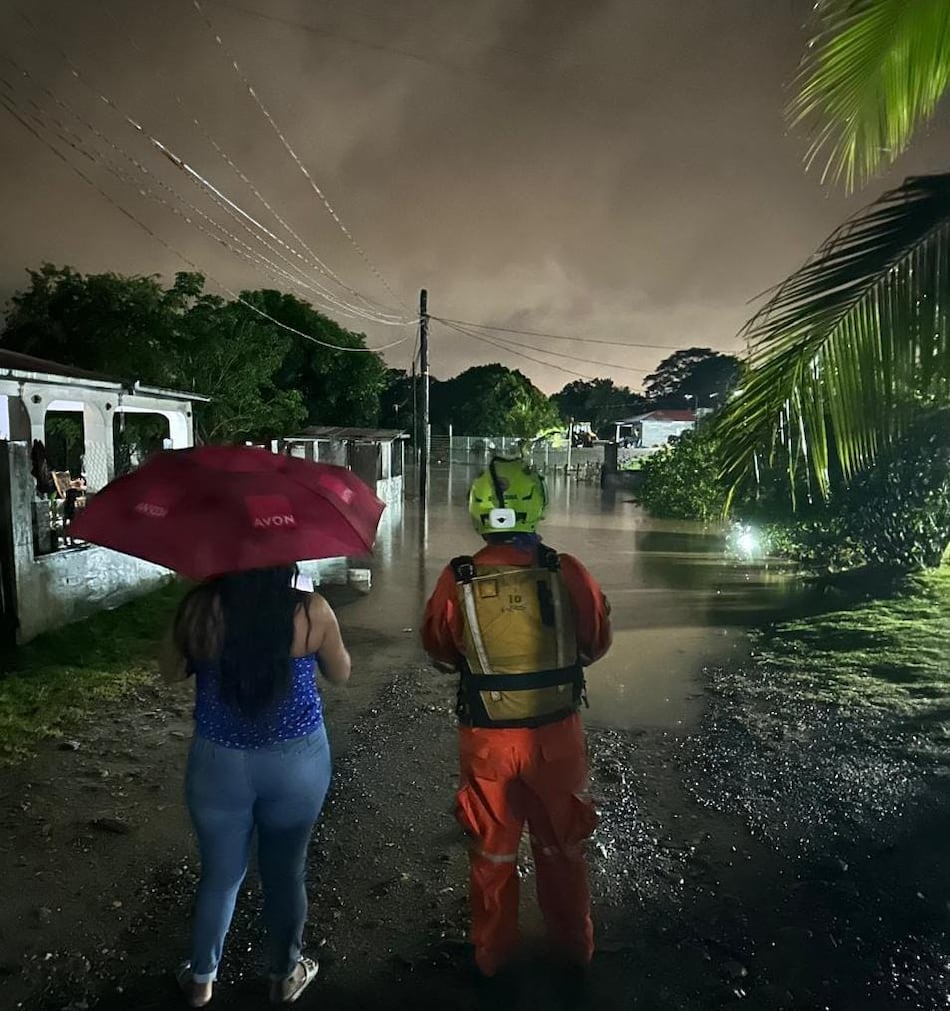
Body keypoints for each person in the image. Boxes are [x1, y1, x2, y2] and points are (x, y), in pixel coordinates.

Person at [422, 457, 612, 980]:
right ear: (537, 507)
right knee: (563, 848)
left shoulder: (456, 577)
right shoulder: (566, 569)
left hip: (487, 738)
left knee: (492, 852)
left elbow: (438, 646)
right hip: (557, 735)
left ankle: (493, 957)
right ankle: (574, 952)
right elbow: (596, 640)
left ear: (478, 513)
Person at [160, 566, 351, 1007]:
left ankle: (202, 979)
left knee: (221, 876)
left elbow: (170, 672)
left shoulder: (199, 610)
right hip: (296, 764)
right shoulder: (311, 610)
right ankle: (284, 975)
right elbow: (341, 673)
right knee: (286, 873)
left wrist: (185, 620)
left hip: (218, 764)